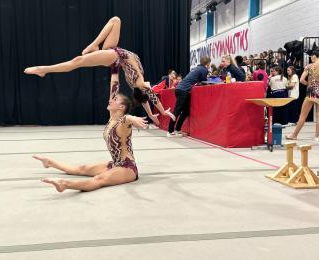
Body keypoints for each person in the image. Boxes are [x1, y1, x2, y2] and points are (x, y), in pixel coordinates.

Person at [24, 16, 174, 126]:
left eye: (148, 88)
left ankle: (43, 69)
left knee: (78, 61)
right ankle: (93, 45)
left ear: (143, 89)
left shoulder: (139, 82)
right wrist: (151, 114)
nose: (150, 87)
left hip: (115, 56)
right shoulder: (138, 83)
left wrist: (161, 111)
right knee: (116, 20)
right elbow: (146, 100)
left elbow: (150, 96)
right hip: (114, 51)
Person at [37, 74, 148, 192]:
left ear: (121, 107)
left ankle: (65, 184)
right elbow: (114, 87)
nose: (110, 99)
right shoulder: (112, 118)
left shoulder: (123, 122)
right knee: (82, 168)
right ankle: (49, 162)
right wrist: (114, 70)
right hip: (115, 164)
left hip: (127, 168)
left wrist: (133, 118)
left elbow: (127, 119)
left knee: (99, 179)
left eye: (114, 99)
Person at [286, 49, 319, 141]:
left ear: (315, 56)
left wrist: (309, 84)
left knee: (303, 115)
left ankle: (294, 135)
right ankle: (316, 136)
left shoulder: (309, 66)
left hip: (311, 92)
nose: (311, 58)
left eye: (311, 56)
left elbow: (301, 80)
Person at [167, 56, 211, 137]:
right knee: (177, 111)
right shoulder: (204, 69)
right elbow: (204, 82)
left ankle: (177, 129)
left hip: (180, 89)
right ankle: (170, 131)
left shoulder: (196, 68)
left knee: (186, 111)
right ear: (208, 64)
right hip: (183, 91)